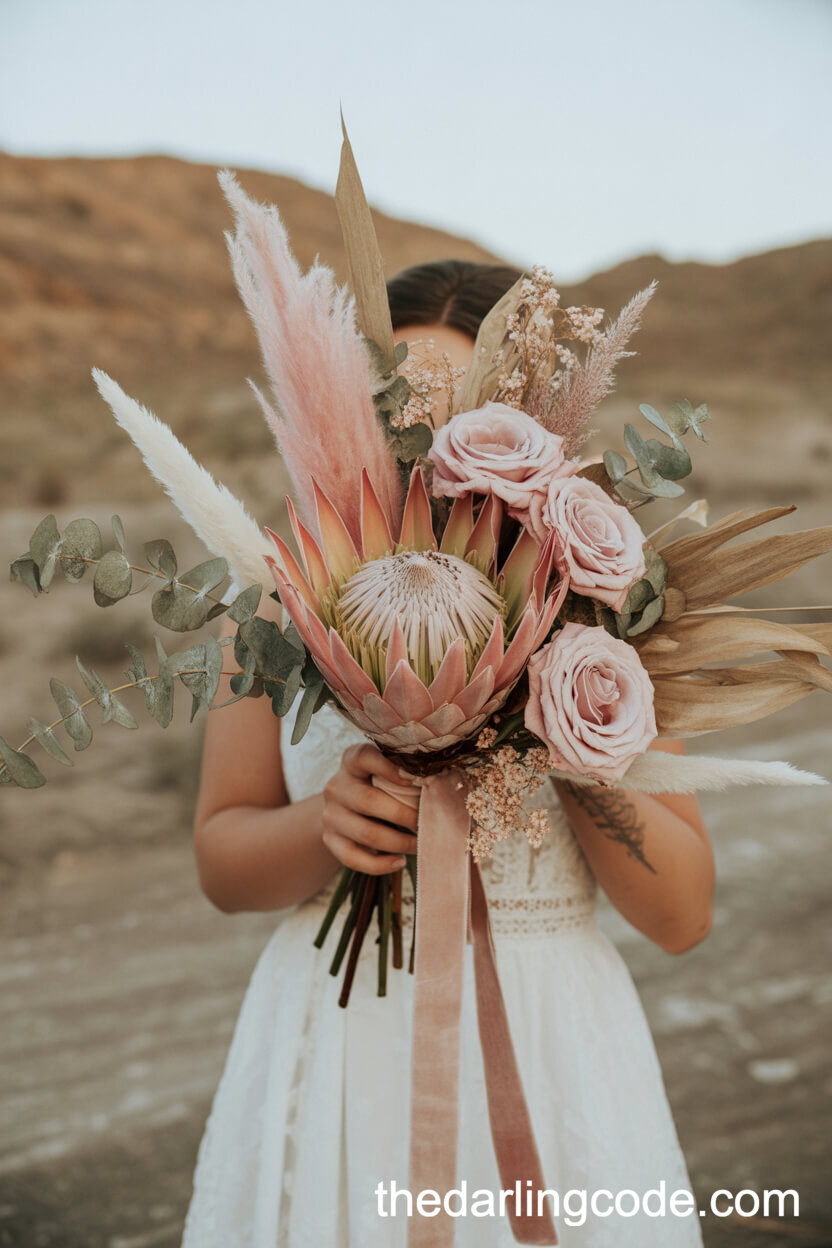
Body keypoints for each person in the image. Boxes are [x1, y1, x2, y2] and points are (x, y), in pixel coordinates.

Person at [181, 260, 714, 1247]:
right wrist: (323, 827)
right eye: (393, 408)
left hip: (554, 1041)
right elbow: (222, 860)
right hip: (345, 1038)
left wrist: (563, 728)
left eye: (458, 409)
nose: (421, 442)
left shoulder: (606, 608)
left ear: (528, 427)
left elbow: (681, 914)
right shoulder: (275, 592)